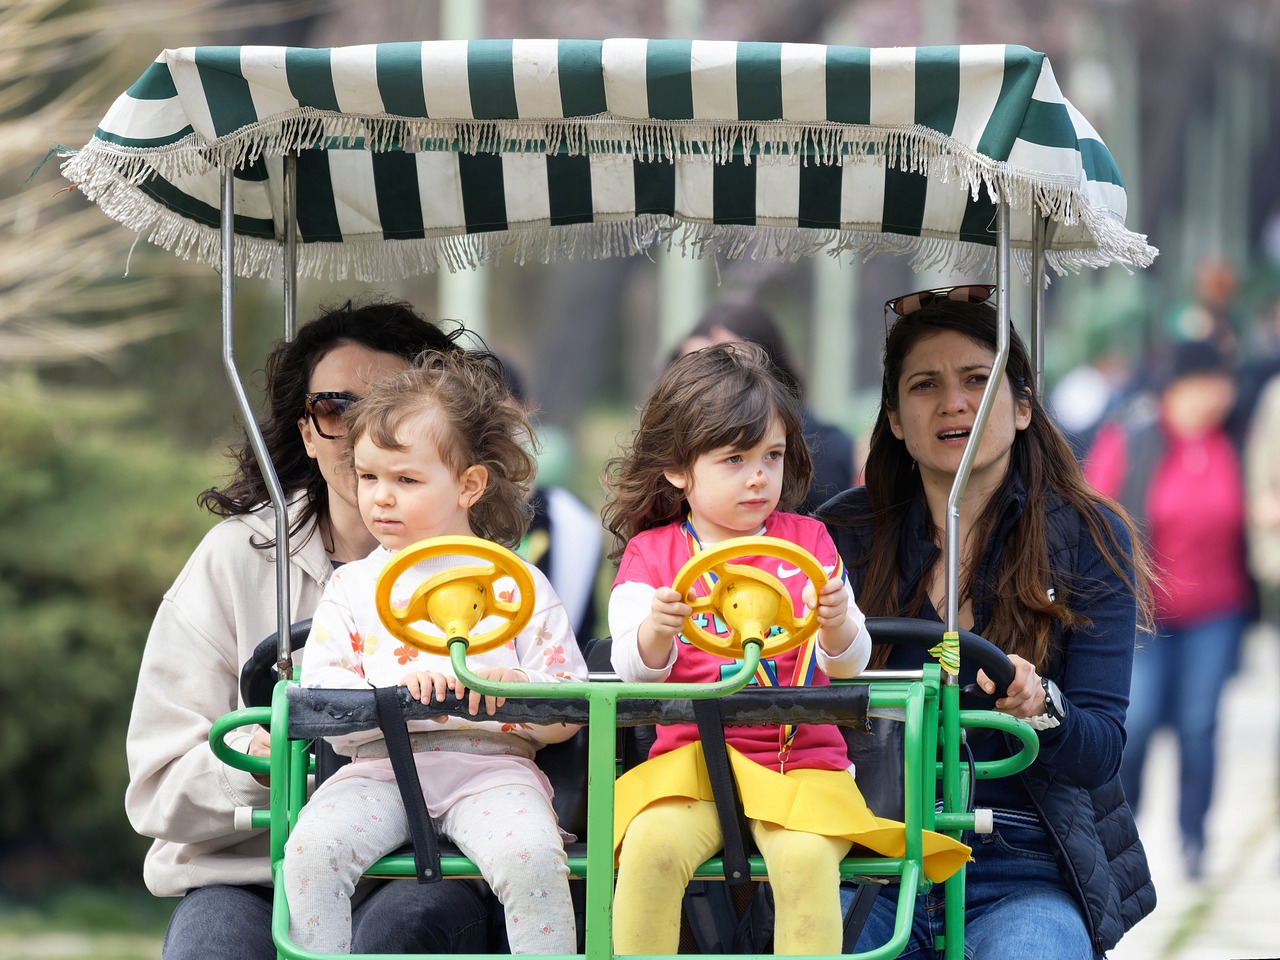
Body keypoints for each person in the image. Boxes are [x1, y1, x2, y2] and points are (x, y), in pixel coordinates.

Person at [125, 299, 495, 960]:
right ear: (307, 433)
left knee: (403, 931)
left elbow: (529, 729)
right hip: (251, 874)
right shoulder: (236, 560)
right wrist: (259, 765)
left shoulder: (478, 573)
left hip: (414, 865)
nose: (363, 438)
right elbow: (155, 789)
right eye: (336, 410)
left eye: (392, 412)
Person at [818, 287, 1156, 958]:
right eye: (925, 385)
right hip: (871, 852)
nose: (954, 403)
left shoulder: (1089, 536)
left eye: (978, 379)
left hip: (1022, 858)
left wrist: (1040, 705)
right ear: (893, 418)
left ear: (1023, 406)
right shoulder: (840, 536)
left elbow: (1100, 747)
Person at [601, 340, 969, 955]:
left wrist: (835, 624)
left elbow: (849, 664)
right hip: (692, 766)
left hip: (802, 762)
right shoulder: (653, 555)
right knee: (650, 849)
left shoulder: (810, 541)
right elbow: (632, 670)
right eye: (735, 459)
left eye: (771, 456)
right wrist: (656, 630)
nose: (759, 477)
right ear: (677, 470)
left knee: (804, 862)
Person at [281, 349, 589, 955]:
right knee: (312, 848)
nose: (381, 499)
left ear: (469, 485)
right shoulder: (353, 588)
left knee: (531, 860)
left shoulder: (516, 585)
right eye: (369, 478)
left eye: (406, 480)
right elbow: (325, 698)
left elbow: (568, 705)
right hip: (380, 769)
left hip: (492, 770)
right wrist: (391, 696)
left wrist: (514, 687)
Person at [1084, 337, 1250, 880]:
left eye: (1222, 385)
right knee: (1140, 720)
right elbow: (1094, 510)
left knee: (1200, 725)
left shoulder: (1236, 440)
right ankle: (1121, 838)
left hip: (1216, 612)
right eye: (1206, 385)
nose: (1216, 397)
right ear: (1177, 388)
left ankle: (1194, 839)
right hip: (1143, 615)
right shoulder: (1133, 439)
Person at [672, 301, 856, 514]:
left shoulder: (828, 446)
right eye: (693, 368)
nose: (713, 381)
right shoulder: (655, 543)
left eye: (731, 364)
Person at [499, 355, 604, 642]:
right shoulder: (441, 514)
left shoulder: (572, 519)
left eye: (500, 420)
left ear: (526, 409)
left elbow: (576, 629)